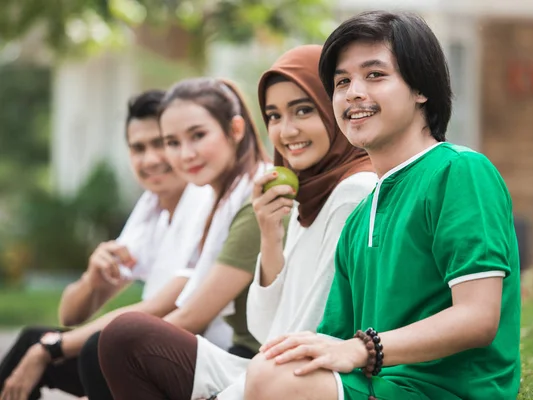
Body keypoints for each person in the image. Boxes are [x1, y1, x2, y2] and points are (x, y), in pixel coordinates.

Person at [244, 11, 521, 400]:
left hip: (445, 391)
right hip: (378, 385)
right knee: (271, 368)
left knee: (270, 378)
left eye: (375, 75)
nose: (354, 92)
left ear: (421, 87)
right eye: (342, 82)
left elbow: (478, 317)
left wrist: (363, 348)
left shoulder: (459, 171)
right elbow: (330, 338)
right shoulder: (360, 215)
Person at [98, 44, 377, 400]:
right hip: (265, 366)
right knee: (125, 336)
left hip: (302, 378)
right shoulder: (303, 196)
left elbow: (303, 335)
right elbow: (264, 328)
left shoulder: (353, 193)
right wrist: (271, 235)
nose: (286, 131)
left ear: (334, 108)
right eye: (274, 116)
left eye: (303, 110)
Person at [0, 89, 216, 400]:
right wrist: (92, 278)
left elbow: (162, 307)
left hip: (186, 359)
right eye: (138, 148)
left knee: (82, 348)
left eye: (161, 144)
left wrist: (49, 349)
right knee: (32, 341)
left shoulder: (203, 201)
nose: (151, 159)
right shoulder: (151, 208)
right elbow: (70, 315)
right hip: (147, 349)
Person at [97, 76, 276, 399]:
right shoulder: (212, 201)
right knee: (109, 343)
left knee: (121, 339)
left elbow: (193, 315)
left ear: (235, 130)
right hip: (237, 355)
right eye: (173, 142)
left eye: (198, 135)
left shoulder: (254, 200)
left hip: (255, 362)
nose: (186, 154)